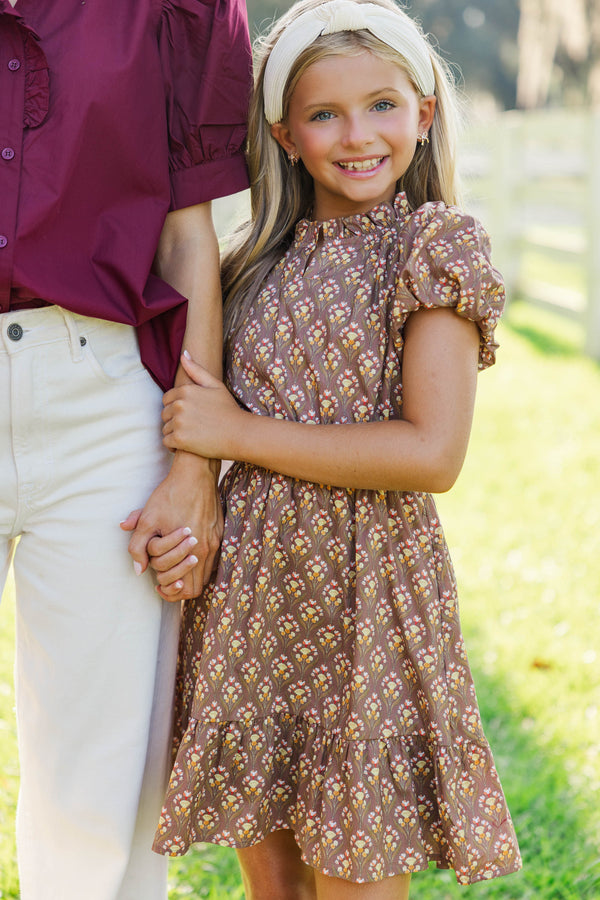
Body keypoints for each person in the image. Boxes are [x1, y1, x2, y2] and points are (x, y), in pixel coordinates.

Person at [150, 0, 523, 896]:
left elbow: (432, 453)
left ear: (424, 111)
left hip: (366, 597)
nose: (358, 136)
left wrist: (236, 435)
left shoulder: (433, 247)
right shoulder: (249, 265)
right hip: (252, 601)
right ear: (283, 134)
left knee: (355, 871)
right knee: (274, 883)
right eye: (325, 115)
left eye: (383, 106)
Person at [0, 0, 251, 898]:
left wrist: (194, 469)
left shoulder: (176, 10)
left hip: (103, 396)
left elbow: (191, 239)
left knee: (101, 782)